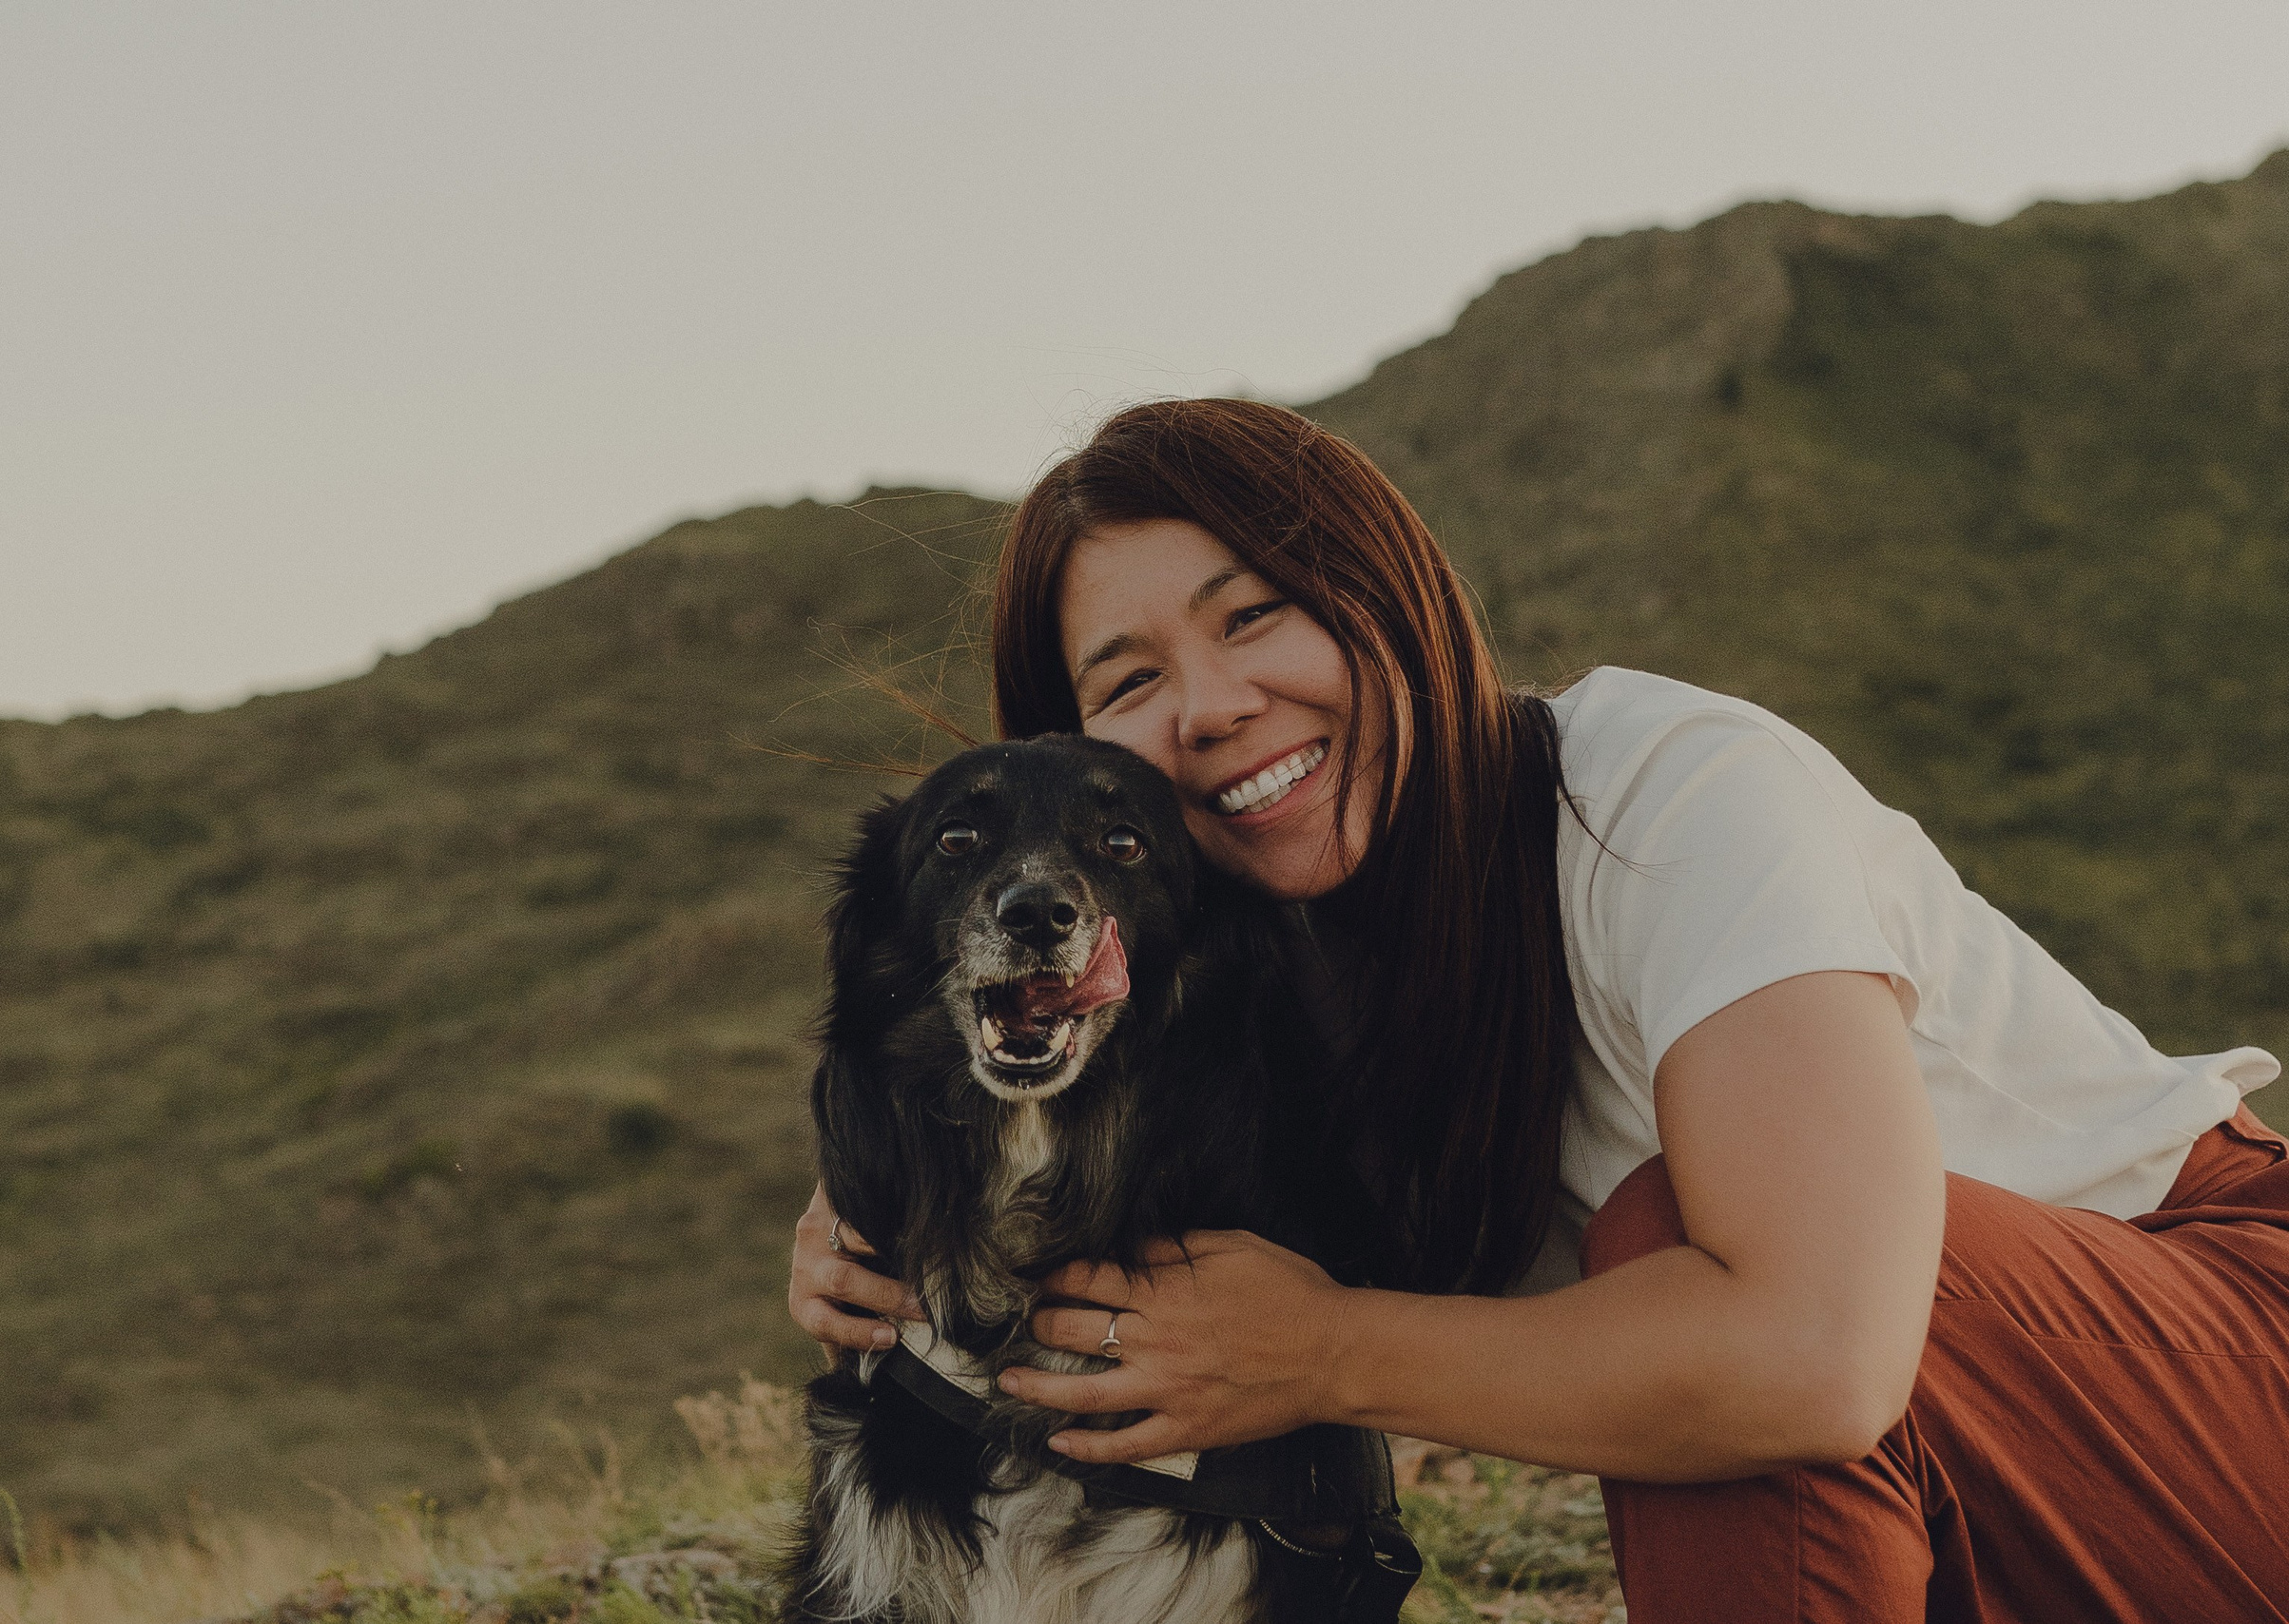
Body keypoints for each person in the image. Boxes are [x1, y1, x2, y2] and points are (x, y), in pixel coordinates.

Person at [786, 397, 2289, 1621]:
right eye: (1127, 683)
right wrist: (888, 1197)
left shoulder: (1663, 790)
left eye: (1254, 618)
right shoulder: (1252, 985)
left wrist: (1324, 1352)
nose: (1210, 705)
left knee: (1683, 1260)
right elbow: (1044, 1086)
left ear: (1384, 592)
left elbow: (1815, 1353)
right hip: (1968, 1515)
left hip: (2220, 1352)